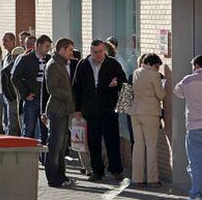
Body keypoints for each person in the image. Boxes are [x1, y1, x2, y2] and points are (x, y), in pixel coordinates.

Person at [73, 39, 126, 182]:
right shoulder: (83, 65)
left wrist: (117, 83)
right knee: (93, 143)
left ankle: (116, 170)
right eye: (95, 52)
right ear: (91, 52)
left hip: (108, 109)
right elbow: (76, 88)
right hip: (90, 110)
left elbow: (124, 82)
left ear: (105, 50)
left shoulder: (113, 64)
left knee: (112, 141)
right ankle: (97, 171)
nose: (98, 55)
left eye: (101, 52)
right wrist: (77, 109)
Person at [44, 38, 76, 187]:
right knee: (55, 145)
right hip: (56, 110)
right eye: (70, 50)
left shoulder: (61, 64)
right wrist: (68, 95)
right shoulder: (54, 65)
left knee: (62, 145)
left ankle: (61, 176)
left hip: (63, 110)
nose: (72, 53)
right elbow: (52, 89)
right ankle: (53, 178)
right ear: (61, 50)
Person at [130, 53, 165, 187]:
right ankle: (152, 179)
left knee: (138, 145)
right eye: (157, 66)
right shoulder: (154, 75)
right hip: (150, 113)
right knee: (151, 146)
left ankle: (137, 179)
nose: (158, 69)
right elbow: (160, 95)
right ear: (151, 64)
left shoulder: (136, 72)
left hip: (135, 112)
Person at [12, 35, 52, 138]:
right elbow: (15, 77)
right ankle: (27, 153)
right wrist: (25, 93)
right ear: (38, 45)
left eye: (49, 47)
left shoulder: (49, 59)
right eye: (46, 46)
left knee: (45, 131)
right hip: (32, 100)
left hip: (45, 101)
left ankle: (43, 154)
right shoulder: (26, 59)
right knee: (29, 130)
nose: (48, 49)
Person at [174, 55, 202, 200]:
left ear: (196, 65)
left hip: (194, 126)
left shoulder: (188, 80)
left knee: (196, 162)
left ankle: (196, 195)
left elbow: (177, 92)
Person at [2, 32, 18, 134]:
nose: (4, 43)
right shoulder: (7, 56)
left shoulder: (16, 56)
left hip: (13, 94)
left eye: (6, 41)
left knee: (13, 120)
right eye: (3, 41)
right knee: (8, 118)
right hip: (6, 93)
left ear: (13, 41)